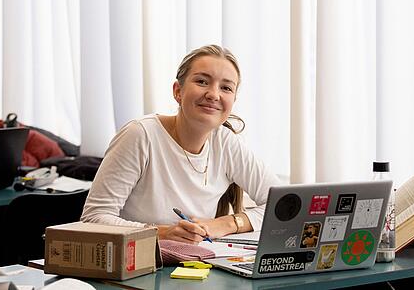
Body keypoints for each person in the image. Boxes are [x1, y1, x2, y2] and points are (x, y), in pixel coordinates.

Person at [81, 45, 280, 244]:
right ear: (178, 91)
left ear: (233, 100)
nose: (213, 94)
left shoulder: (225, 142)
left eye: (226, 88)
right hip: (136, 266)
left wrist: (225, 224)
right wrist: (162, 233)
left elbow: (282, 204)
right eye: (202, 81)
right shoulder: (140, 134)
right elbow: (93, 220)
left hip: (196, 264)